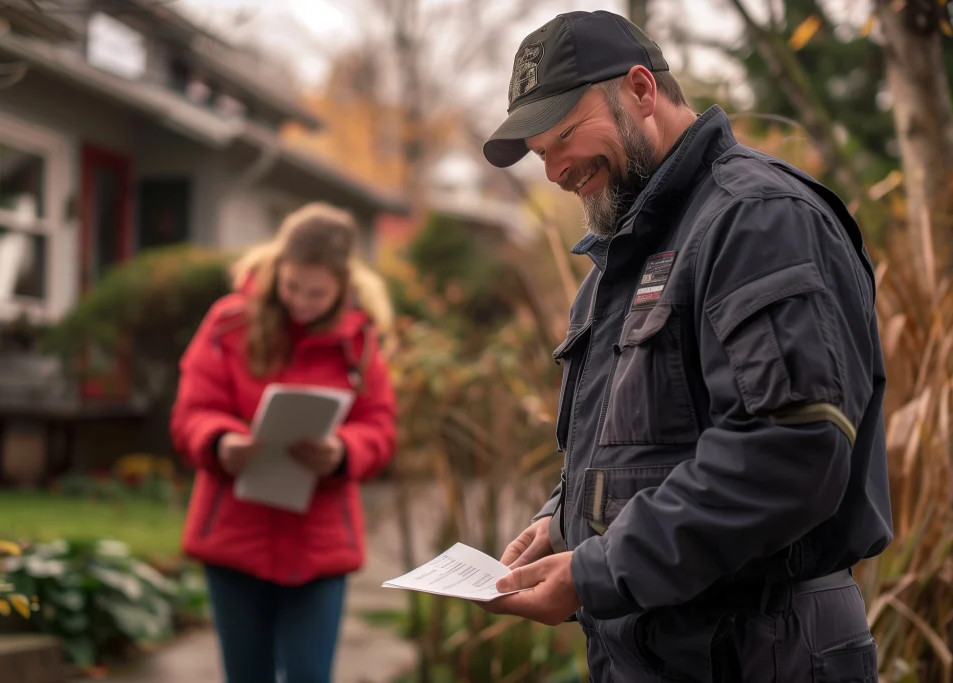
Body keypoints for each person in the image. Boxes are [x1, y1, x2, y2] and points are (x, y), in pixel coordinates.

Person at [479, 10, 891, 683]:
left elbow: (789, 453)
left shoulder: (757, 220)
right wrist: (565, 520)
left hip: (765, 651)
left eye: (562, 137)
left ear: (641, 90)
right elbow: (648, 445)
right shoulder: (624, 260)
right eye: (537, 152)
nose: (553, 169)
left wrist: (595, 569)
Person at [169, 202, 397, 683]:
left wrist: (342, 452)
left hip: (319, 543)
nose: (300, 301)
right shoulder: (228, 323)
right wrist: (221, 441)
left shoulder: (359, 341)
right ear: (276, 268)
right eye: (292, 286)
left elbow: (380, 427)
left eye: (317, 292)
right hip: (235, 532)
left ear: (342, 284)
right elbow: (190, 414)